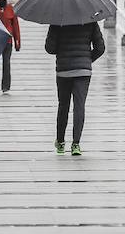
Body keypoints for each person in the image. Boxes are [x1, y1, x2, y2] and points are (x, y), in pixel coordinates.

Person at [45, 20, 105, 156]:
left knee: (63, 105)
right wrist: (87, 60)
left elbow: (50, 48)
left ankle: (60, 143)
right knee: (79, 106)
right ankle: (76, 144)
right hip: (83, 71)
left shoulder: (57, 21)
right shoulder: (90, 21)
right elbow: (100, 48)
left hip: (63, 70)